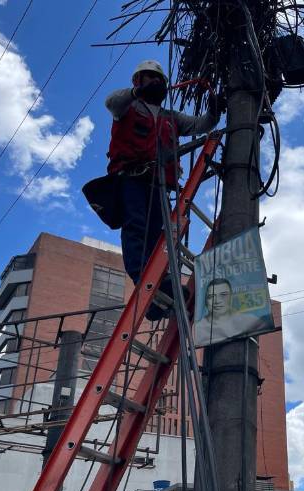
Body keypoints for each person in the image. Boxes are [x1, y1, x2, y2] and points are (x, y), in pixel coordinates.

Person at [104, 59, 220, 317]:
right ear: (137, 81)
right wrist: (136, 94)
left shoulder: (171, 118)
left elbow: (200, 124)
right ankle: (143, 281)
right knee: (136, 227)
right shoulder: (127, 107)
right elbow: (111, 102)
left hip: (158, 186)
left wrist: (214, 112)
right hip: (131, 179)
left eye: (159, 80)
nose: (156, 83)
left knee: (161, 237)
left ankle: (161, 290)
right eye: (150, 78)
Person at [194, 278, 273, 347]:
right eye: (211, 296)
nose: (217, 301)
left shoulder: (249, 321)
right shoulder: (198, 328)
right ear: (206, 301)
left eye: (223, 295)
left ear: (231, 297)